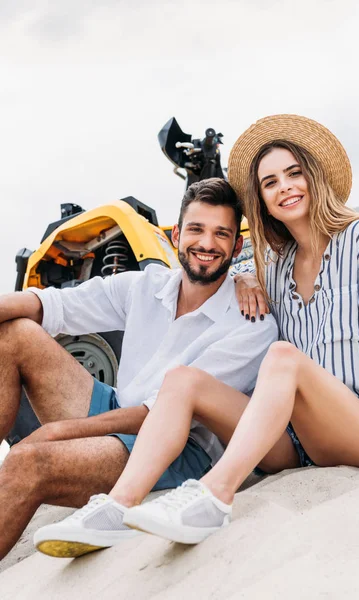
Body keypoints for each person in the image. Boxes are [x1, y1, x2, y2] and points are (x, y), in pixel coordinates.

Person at [67, 113, 359, 547]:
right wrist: (245, 277)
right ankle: (117, 506)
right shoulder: (273, 266)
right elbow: (229, 271)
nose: (286, 188)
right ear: (261, 198)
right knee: (182, 380)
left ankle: (213, 496)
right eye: (270, 182)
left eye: (294, 174)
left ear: (314, 177)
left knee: (282, 358)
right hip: (293, 442)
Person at [0, 177, 277, 560]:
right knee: (14, 333)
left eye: (221, 234)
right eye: (196, 229)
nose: (207, 244)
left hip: (177, 449)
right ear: (177, 234)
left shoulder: (250, 323)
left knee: (28, 462)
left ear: (237, 244)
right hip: (115, 408)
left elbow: (155, 413)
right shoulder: (147, 285)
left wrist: (57, 432)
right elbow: (52, 305)